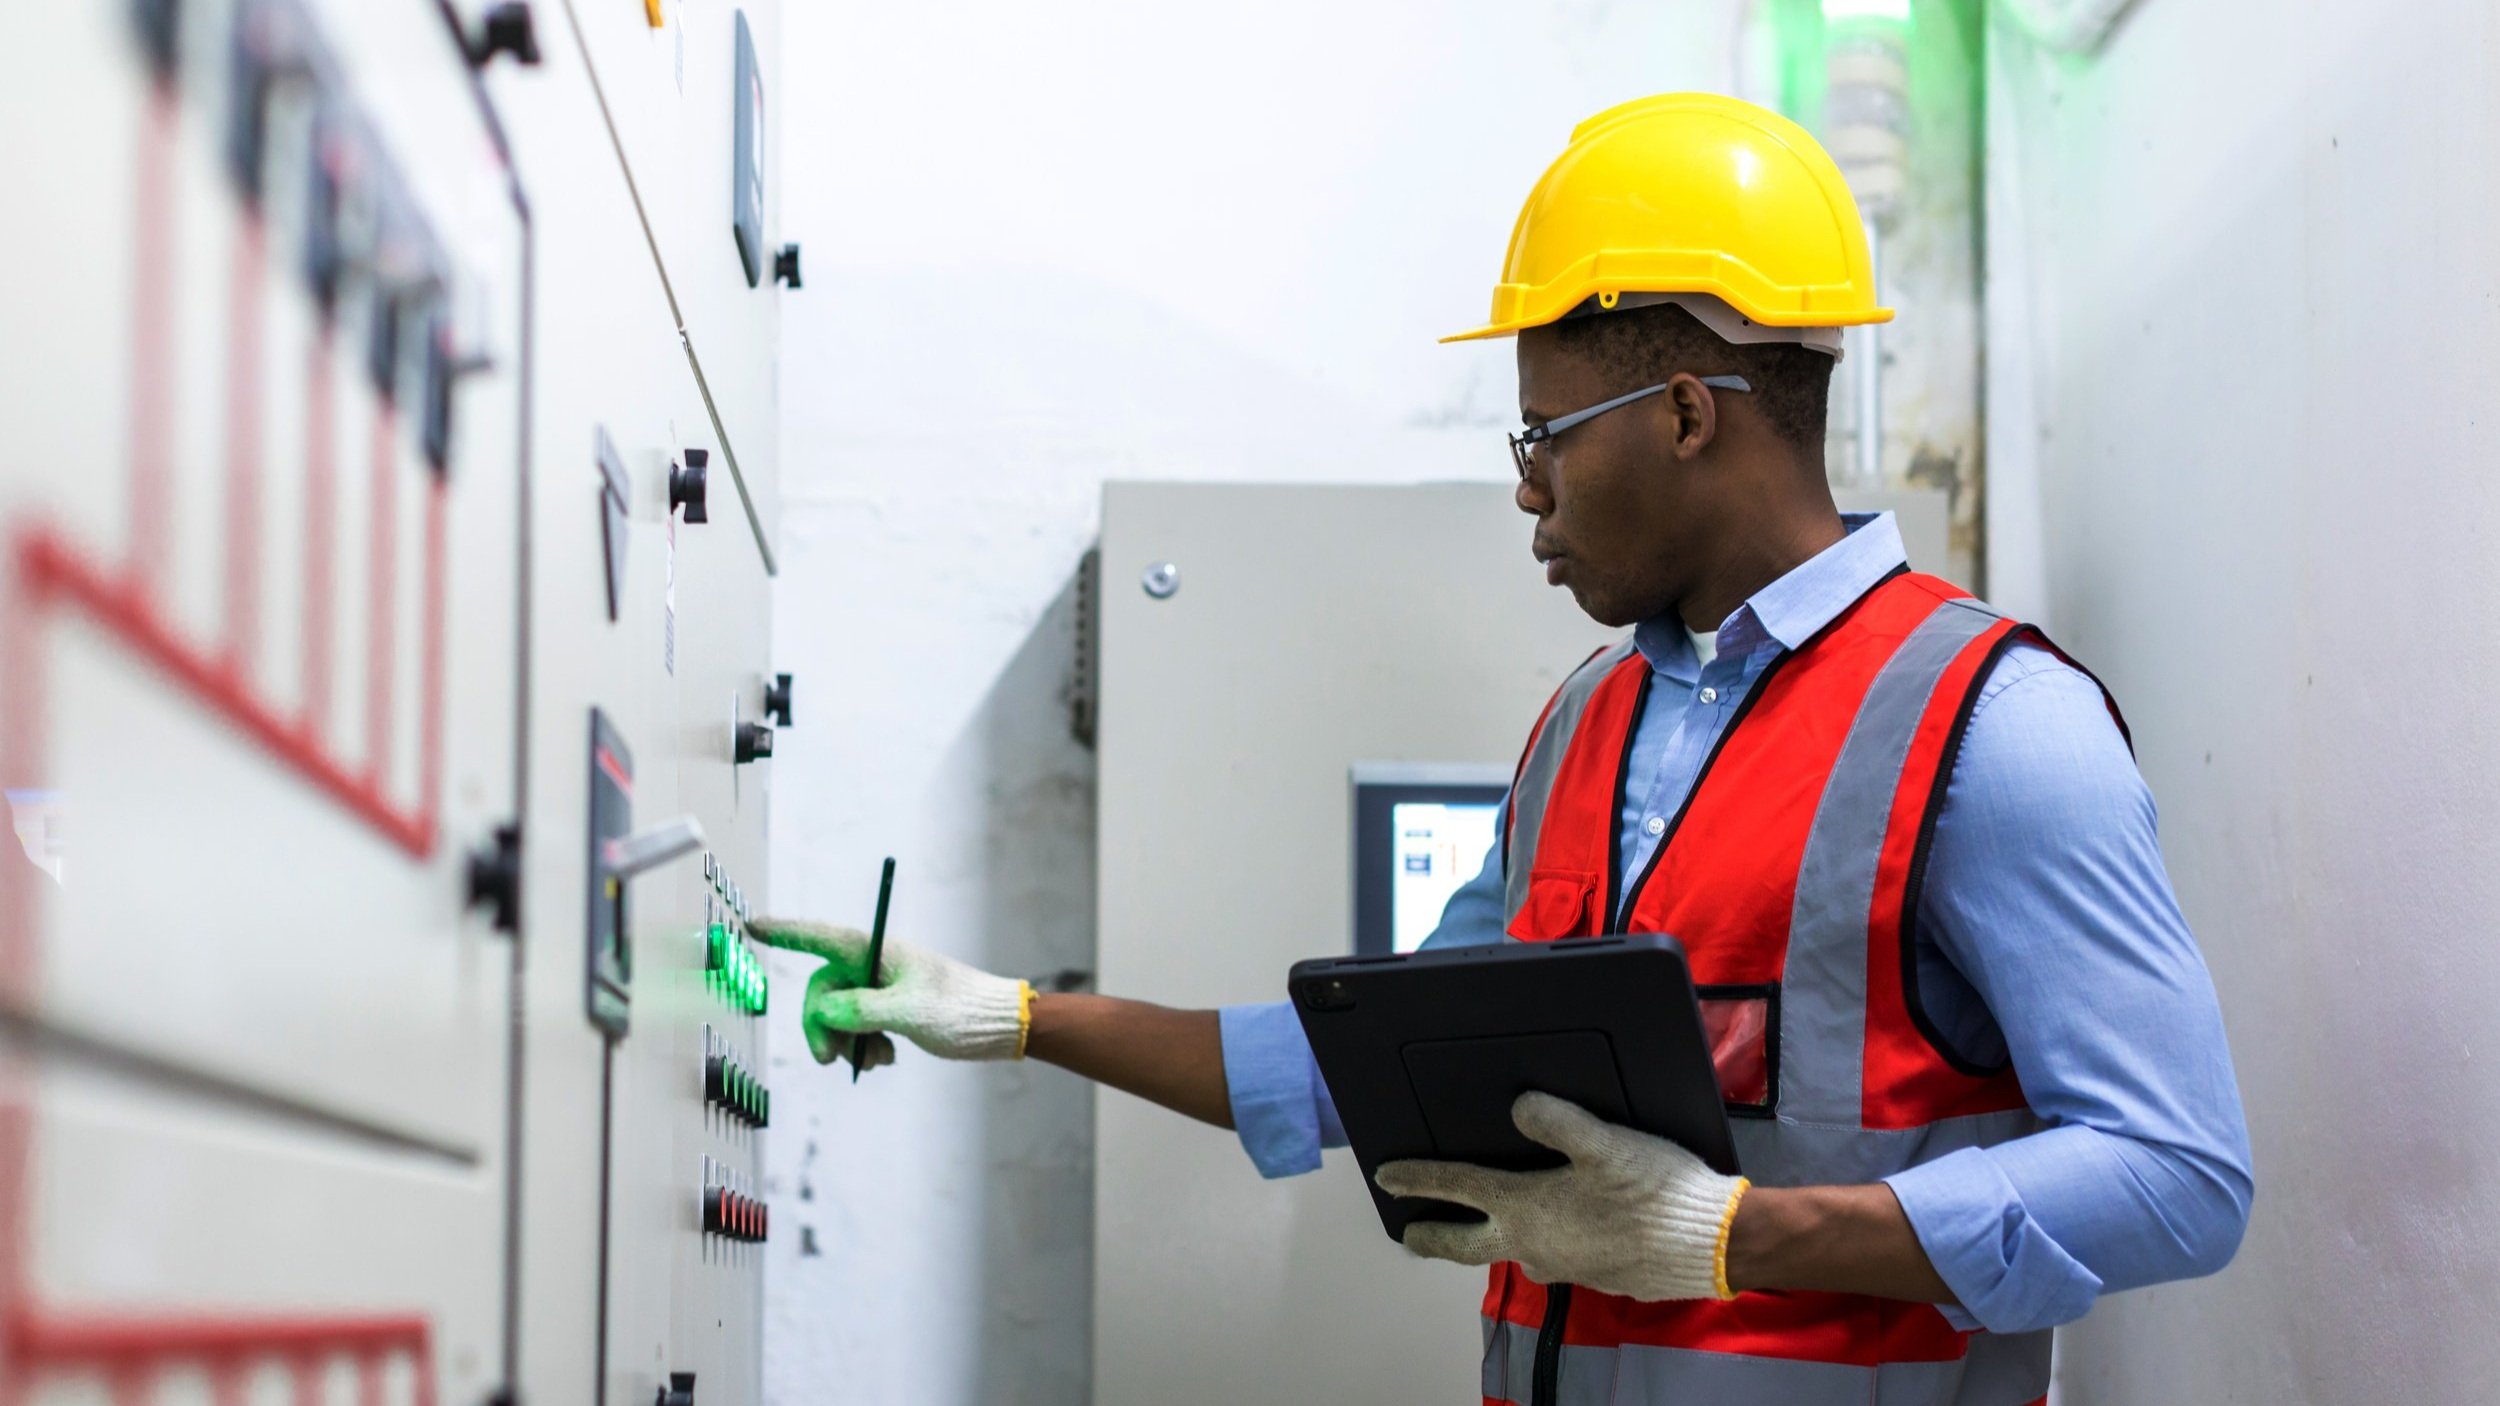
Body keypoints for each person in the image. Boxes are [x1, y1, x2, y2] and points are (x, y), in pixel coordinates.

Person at [757, 93, 2251, 1406]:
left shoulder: (1997, 727)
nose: (1526, 490)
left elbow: (2179, 1177)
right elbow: (1361, 1062)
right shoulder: (1584, 730)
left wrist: (1734, 1233)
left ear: (1681, 413)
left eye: (1543, 435)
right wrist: (1014, 1014)